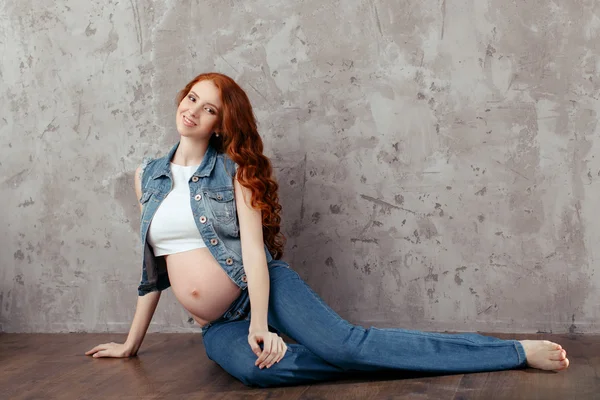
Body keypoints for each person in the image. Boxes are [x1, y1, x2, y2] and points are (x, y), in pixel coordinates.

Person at [85, 72, 569, 388]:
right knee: (259, 372)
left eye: (209, 107)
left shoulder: (233, 170)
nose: (193, 109)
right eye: (192, 98)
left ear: (220, 123)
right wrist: (131, 343)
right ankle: (380, 356)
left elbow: (253, 252)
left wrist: (258, 322)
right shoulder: (145, 176)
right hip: (219, 324)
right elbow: (155, 270)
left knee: (344, 345)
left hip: (264, 294)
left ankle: (509, 351)